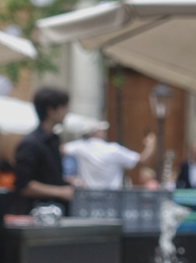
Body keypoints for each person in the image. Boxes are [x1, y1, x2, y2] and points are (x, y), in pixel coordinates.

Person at [11, 87, 74, 215]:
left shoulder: (54, 140)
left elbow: (46, 176)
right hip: (35, 215)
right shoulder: (30, 143)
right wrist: (61, 191)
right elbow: (24, 186)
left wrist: (67, 181)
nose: (67, 111)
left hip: (54, 212)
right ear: (51, 111)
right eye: (64, 107)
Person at [63, 126, 156, 189]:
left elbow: (61, 149)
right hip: (112, 197)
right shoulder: (113, 149)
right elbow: (142, 159)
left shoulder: (81, 147)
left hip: (88, 196)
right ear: (96, 132)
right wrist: (151, 144)